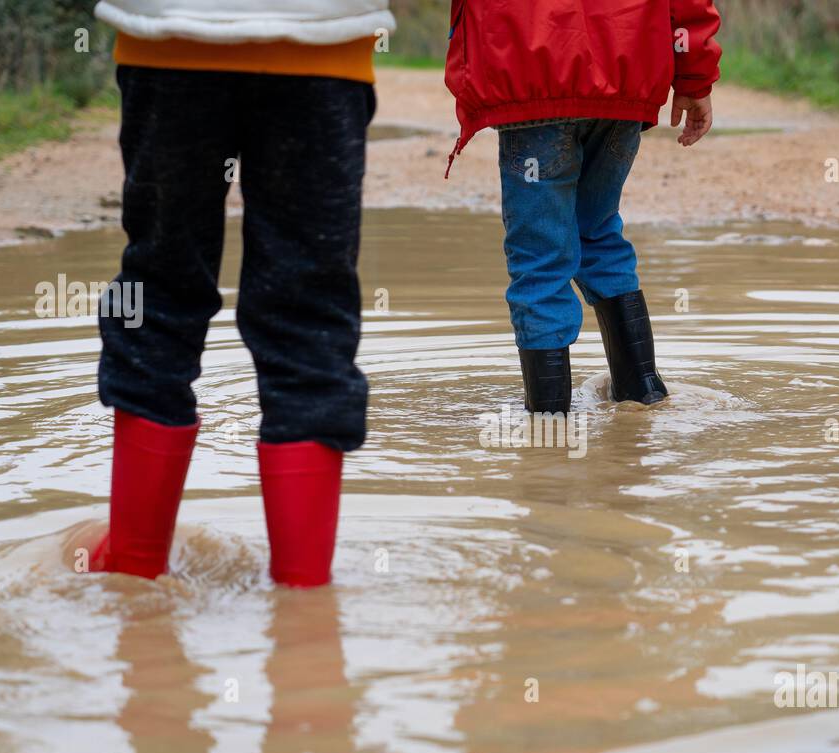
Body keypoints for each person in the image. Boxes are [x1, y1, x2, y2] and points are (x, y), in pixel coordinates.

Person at [87, 0, 394, 587]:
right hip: (322, 40)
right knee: (309, 307)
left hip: (171, 36)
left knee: (158, 290)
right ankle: (305, 603)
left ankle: (131, 573)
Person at [444, 0, 722, 413]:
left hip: (532, 82)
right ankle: (643, 394)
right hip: (624, 77)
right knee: (598, 232)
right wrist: (694, 78)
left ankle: (547, 421)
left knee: (540, 257)